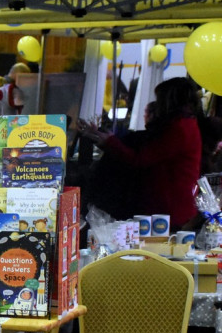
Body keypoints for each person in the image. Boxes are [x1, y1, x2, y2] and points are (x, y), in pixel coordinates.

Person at [80, 77, 204, 228]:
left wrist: (110, 143)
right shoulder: (183, 125)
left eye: (159, 99)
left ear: (169, 100)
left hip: (167, 209)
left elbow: (141, 159)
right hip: (170, 206)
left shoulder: (179, 129)